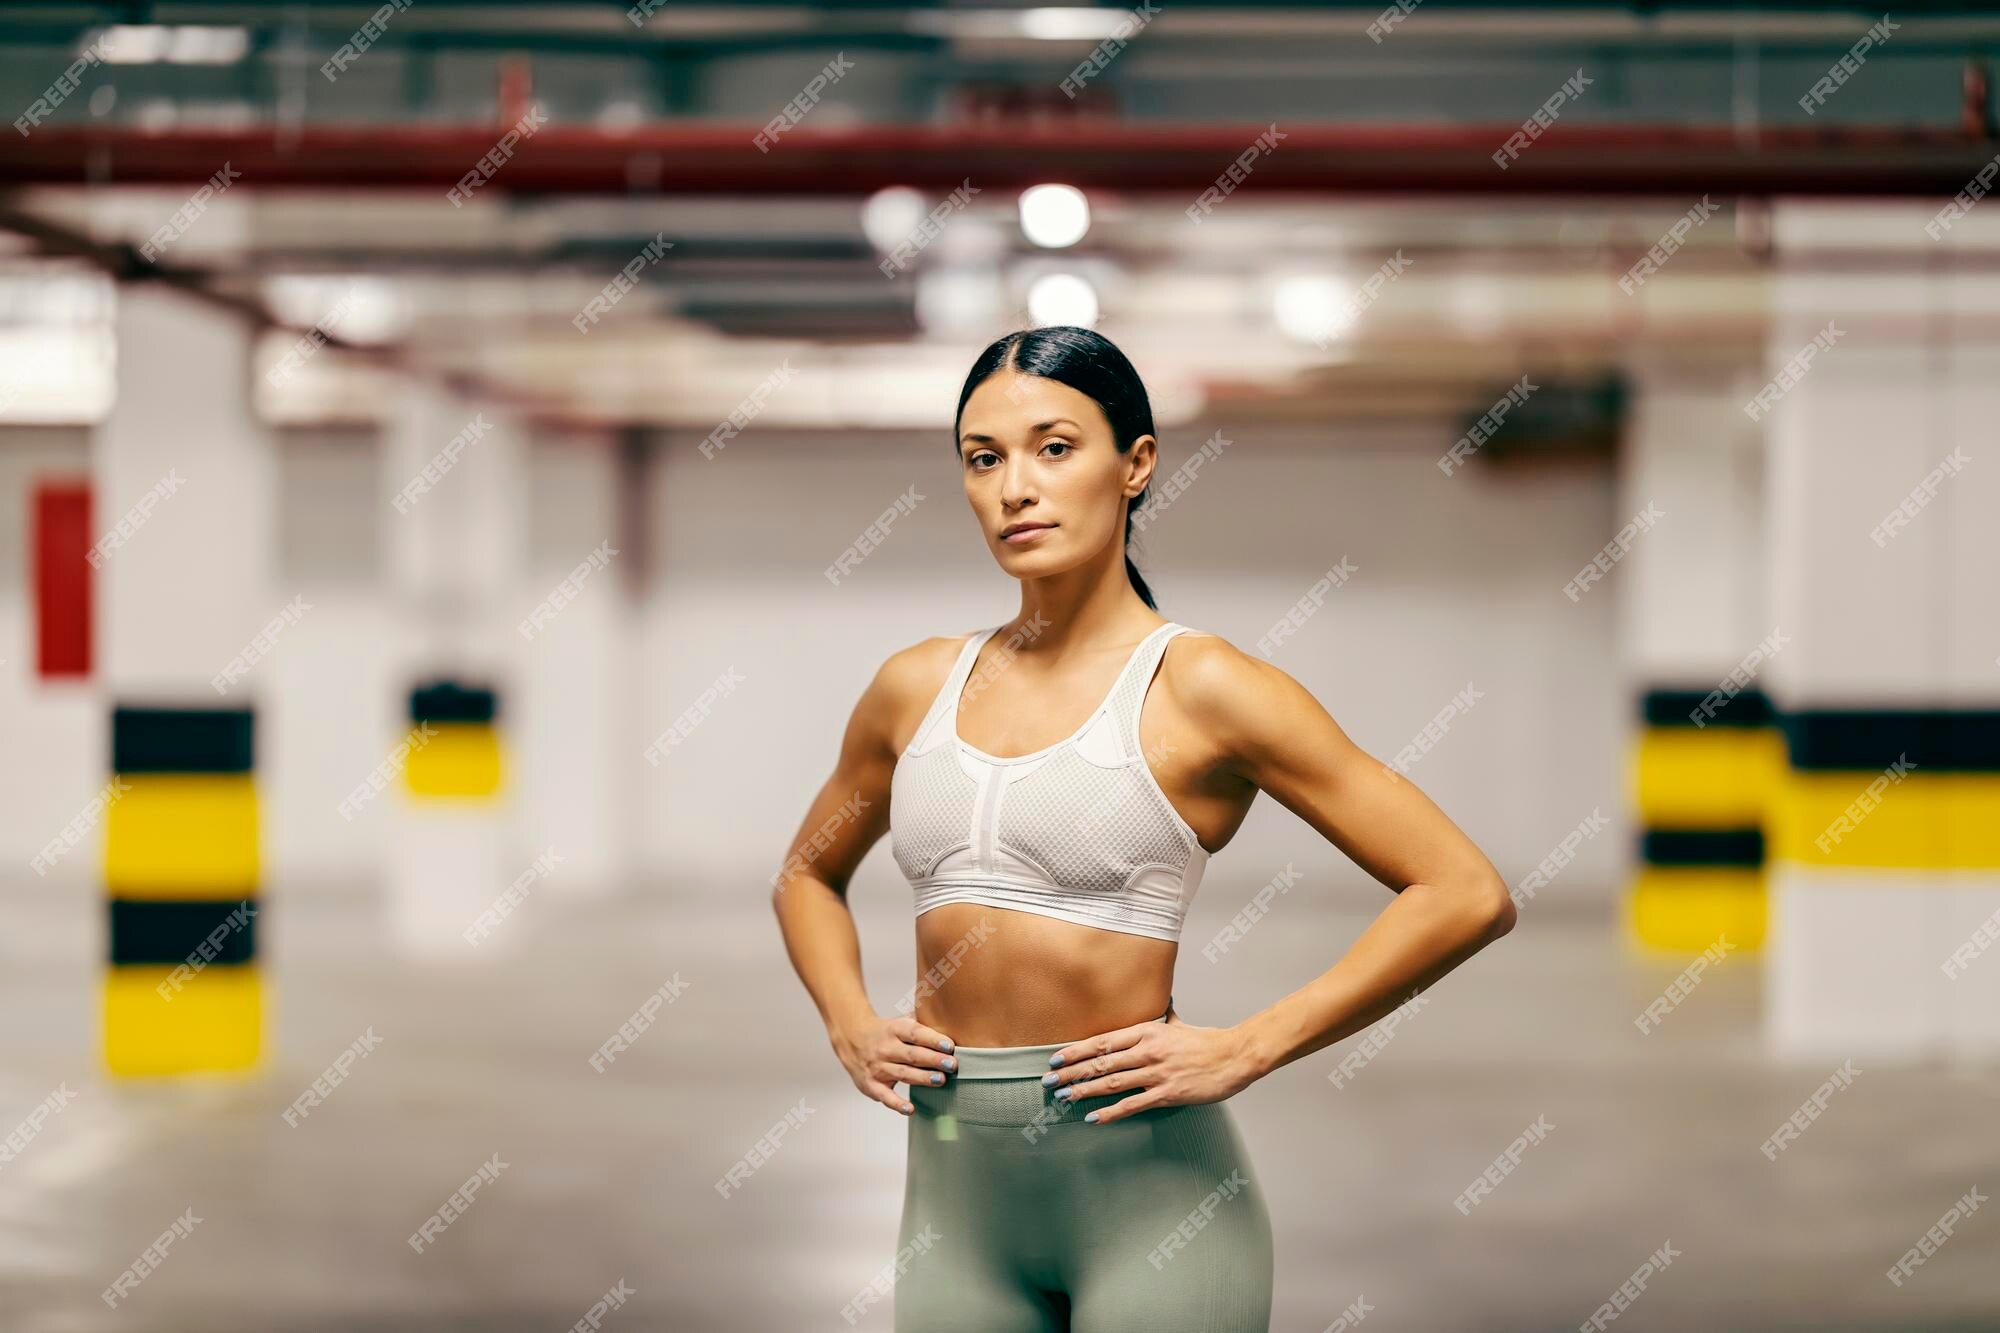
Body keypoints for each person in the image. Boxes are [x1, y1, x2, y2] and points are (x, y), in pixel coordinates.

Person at [771, 325, 1516, 1331]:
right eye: (981, 459)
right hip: (953, 1198)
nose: (1013, 487)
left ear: (1135, 464)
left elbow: (1463, 891)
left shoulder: (1203, 687)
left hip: (1152, 1202)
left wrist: (1252, 1044)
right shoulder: (914, 686)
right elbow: (806, 878)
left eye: (1053, 447)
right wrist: (849, 1021)